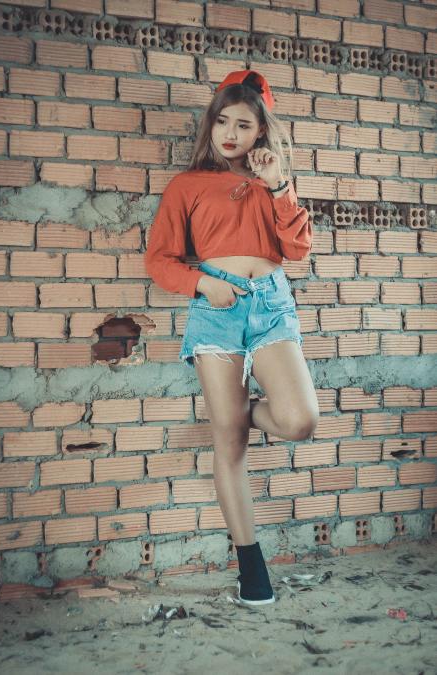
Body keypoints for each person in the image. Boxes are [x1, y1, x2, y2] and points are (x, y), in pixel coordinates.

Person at [145, 69, 320, 606]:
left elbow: (297, 249)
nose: (230, 134)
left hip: (270, 305)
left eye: (243, 125)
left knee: (299, 419)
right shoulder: (187, 185)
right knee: (232, 446)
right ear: (211, 124)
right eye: (222, 121)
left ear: (260, 131)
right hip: (216, 310)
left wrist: (279, 184)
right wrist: (201, 283)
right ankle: (250, 564)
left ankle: (234, 412)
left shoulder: (273, 182)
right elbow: (159, 260)